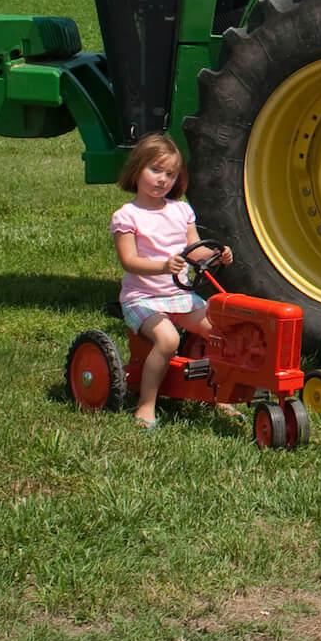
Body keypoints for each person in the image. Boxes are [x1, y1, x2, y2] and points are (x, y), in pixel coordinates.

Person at [110, 133, 233, 429]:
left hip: (179, 296)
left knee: (221, 333)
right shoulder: (128, 216)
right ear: (137, 169)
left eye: (171, 173)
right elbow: (129, 261)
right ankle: (146, 405)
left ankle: (222, 396)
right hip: (143, 299)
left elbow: (195, 248)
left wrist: (217, 253)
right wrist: (163, 266)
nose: (163, 179)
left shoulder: (180, 210)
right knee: (169, 339)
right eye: (156, 170)